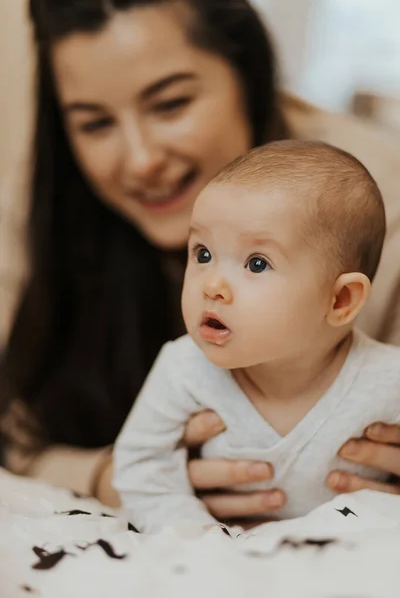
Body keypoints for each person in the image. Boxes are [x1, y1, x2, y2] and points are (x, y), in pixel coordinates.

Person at [1, 0, 400, 521]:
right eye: (95, 124)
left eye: (170, 104)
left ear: (248, 76)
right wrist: (108, 477)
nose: (141, 161)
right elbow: (14, 436)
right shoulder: (44, 208)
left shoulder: (378, 202)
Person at [114, 140, 400, 533]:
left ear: (340, 300)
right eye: (202, 254)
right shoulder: (184, 369)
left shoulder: (387, 379)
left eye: (257, 263)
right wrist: (196, 537)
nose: (212, 285)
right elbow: (140, 463)